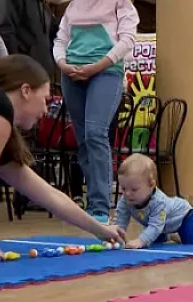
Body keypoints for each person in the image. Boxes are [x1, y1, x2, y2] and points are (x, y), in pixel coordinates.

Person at [0, 55, 124, 263]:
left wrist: (100, 230)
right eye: (45, 99)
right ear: (26, 91)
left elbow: (47, 194)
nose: (46, 110)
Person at [53, 0, 139, 225]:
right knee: (83, 140)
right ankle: (91, 204)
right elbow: (61, 40)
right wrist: (63, 64)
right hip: (71, 75)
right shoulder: (73, 6)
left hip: (106, 73)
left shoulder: (122, 4)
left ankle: (100, 206)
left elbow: (127, 39)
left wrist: (99, 65)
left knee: (95, 133)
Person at [112, 154, 193, 249]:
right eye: (124, 188)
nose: (127, 194)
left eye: (134, 189)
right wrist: (115, 236)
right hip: (161, 225)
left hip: (183, 217)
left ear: (151, 185)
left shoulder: (158, 202)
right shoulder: (125, 200)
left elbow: (155, 226)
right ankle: (170, 235)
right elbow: (120, 219)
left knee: (191, 243)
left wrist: (140, 241)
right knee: (155, 242)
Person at [0, 0, 55, 75]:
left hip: (42, 68)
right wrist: (16, 63)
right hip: (23, 68)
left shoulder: (40, 4)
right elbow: (5, 30)